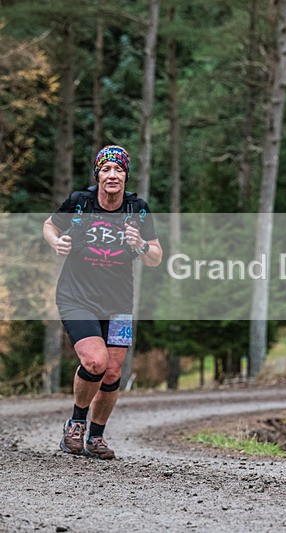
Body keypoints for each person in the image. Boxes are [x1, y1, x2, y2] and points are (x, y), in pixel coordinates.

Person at [43, 145, 162, 459]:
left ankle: (96, 437)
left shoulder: (138, 209)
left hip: (119, 303)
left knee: (112, 373)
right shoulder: (80, 202)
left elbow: (155, 257)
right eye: (106, 170)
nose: (112, 175)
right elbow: (50, 225)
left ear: (125, 175)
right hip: (76, 296)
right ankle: (76, 424)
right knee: (96, 362)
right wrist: (58, 242)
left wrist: (139, 246)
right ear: (98, 174)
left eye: (118, 170)